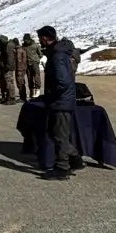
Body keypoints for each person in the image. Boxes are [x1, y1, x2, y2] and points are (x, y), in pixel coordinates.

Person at [38, 25, 83, 179]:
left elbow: (62, 81)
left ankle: (62, 168)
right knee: (54, 132)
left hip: (61, 101)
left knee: (59, 135)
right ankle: (76, 159)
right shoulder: (58, 53)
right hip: (62, 100)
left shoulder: (57, 56)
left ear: (45, 38)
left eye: (40, 38)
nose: (39, 42)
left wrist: (52, 94)